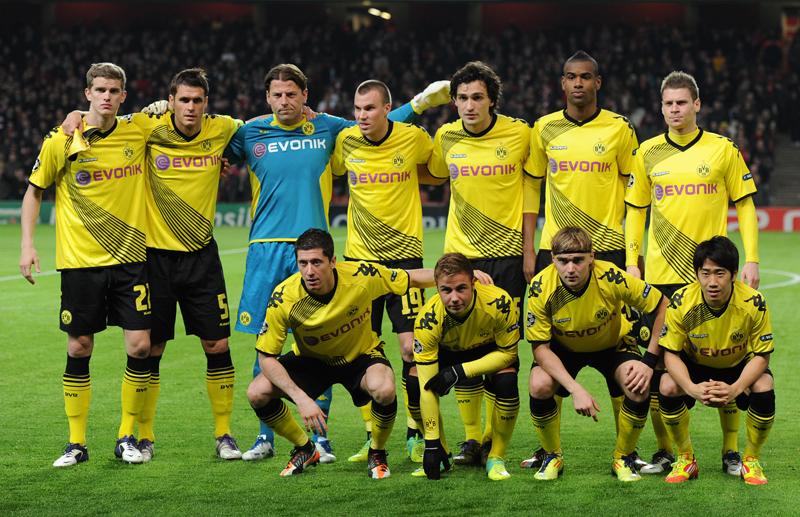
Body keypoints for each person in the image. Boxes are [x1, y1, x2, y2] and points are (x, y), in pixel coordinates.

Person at [225, 64, 451, 462]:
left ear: (305, 96)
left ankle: (326, 438)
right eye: (277, 94)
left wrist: (419, 104)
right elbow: (203, 143)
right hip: (267, 248)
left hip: (317, 247)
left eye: (291, 94)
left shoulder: (329, 128)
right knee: (268, 342)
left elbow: (379, 122)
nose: (284, 101)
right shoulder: (251, 131)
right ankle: (265, 437)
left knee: (329, 343)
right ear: (267, 97)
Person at [61, 68, 245, 461]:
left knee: (217, 344)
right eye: (183, 100)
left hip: (202, 256)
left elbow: (260, 127)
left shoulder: (223, 128)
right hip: (154, 258)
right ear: (171, 100)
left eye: (197, 100)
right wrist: (75, 114)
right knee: (151, 348)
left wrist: (306, 113)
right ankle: (143, 436)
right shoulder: (148, 126)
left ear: (206, 104)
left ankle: (224, 434)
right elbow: (103, 117)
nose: (190, 107)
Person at [521, 50, 663, 473]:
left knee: (624, 349)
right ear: (562, 83)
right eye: (571, 76)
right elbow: (531, 188)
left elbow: (636, 195)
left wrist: (633, 257)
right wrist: (529, 249)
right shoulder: (544, 128)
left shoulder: (620, 128)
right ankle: (549, 449)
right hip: (556, 250)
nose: (578, 83)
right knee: (546, 355)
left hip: (608, 250)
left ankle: (626, 450)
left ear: (597, 82)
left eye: (585, 76)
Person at [625, 70, 761, 476]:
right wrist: (632, 261)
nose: (674, 109)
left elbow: (745, 204)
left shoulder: (722, 149)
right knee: (659, 368)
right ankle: (667, 450)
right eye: (668, 103)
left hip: (711, 273)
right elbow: (635, 211)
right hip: (662, 276)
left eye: (681, 102)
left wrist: (751, 258)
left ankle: (731, 451)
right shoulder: (646, 152)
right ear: (661, 107)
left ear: (697, 104)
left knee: (724, 361)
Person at [20, 62, 151, 467]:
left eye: (114, 90)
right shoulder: (61, 139)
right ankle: (76, 443)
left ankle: (126, 436)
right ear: (87, 94)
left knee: (140, 345)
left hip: (131, 258)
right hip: (80, 262)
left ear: (124, 96)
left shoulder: (139, 129)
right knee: (79, 345)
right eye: (100, 90)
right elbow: (34, 191)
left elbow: (180, 122)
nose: (107, 96)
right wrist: (27, 245)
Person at [245, 228, 436, 479]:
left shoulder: (361, 276)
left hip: (360, 357)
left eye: (316, 262)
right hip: (312, 360)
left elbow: (411, 278)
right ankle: (305, 448)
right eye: (303, 263)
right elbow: (266, 357)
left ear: (333, 261)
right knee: (257, 393)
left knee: (384, 389)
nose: (309, 271)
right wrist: (301, 398)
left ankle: (377, 451)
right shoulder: (284, 297)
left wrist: (459, 275)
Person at [427, 61, 535, 467]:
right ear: (453, 102)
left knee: (503, 352)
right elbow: (432, 174)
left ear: (492, 100)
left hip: (507, 257)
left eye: (477, 97)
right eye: (462, 98)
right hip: (461, 255)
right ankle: (472, 439)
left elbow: (532, 188)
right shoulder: (445, 136)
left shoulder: (520, 133)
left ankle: (492, 438)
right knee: (462, 349)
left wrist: (529, 251)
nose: (469, 105)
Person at [330, 79, 437, 463]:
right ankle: (372, 434)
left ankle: (414, 429)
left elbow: (437, 171)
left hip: (405, 259)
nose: (362, 116)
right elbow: (332, 167)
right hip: (359, 264)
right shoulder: (346, 141)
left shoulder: (413, 137)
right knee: (360, 350)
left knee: (411, 347)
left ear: (388, 109)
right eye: (358, 109)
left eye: (370, 108)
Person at [526, 226, 668, 482]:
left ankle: (623, 457)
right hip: (563, 349)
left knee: (638, 385)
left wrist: (649, 361)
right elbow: (540, 349)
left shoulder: (611, 276)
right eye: (563, 261)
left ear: (592, 257)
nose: (571, 268)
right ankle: (552, 455)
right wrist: (575, 389)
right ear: (553, 259)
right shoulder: (540, 287)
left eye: (578, 260)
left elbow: (662, 306)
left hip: (612, 345)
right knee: (539, 384)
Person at [658, 236, 774, 485]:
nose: (712, 282)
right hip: (695, 364)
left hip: (738, 365)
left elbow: (762, 355)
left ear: (734, 274)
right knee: (667, 385)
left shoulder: (754, 302)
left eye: (720, 273)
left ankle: (751, 460)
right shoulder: (681, 302)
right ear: (697, 274)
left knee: (764, 385)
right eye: (705, 273)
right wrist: (691, 388)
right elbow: (670, 354)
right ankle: (686, 458)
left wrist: (736, 388)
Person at [411, 253, 520, 481]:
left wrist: (459, 372)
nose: (454, 298)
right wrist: (431, 443)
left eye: (461, 288)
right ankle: (442, 454)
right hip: (449, 351)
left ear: (473, 282)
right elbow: (426, 387)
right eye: (446, 290)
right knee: (413, 382)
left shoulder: (499, 302)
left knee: (507, 381)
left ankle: (495, 456)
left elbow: (509, 354)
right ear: (437, 287)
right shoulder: (428, 320)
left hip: (490, 350)